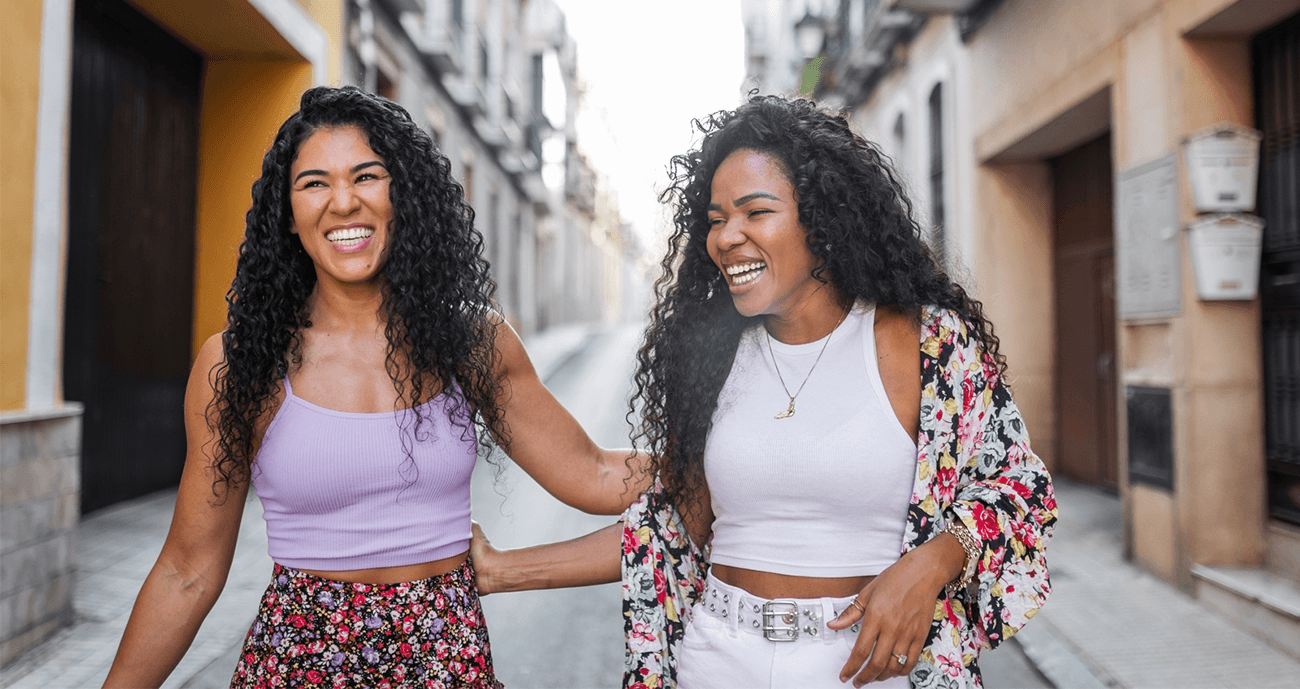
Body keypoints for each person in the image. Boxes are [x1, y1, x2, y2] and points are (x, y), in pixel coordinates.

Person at [470, 95, 1057, 689]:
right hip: (718, 657)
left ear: (823, 220)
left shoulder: (922, 340)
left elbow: (1019, 485)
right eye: (716, 218)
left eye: (756, 212)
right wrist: (499, 571)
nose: (727, 237)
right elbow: (670, 526)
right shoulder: (714, 358)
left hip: (870, 668)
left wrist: (932, 564)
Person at [102, 86, 649, 688]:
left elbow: (595, 474)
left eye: (367, 176)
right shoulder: (240, 364)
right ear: (287, 211)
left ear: (403, 195)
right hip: (296, 667)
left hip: (445, 664)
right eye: (314, 183)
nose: (343, 202)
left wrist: (717, 460)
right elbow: (188, 570)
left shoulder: (469, 340)